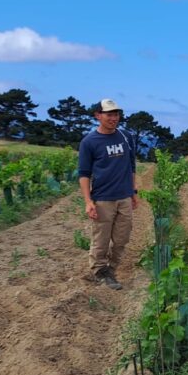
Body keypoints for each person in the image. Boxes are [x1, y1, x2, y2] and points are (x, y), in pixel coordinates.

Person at [78, 98, 139, 290]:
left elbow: (131, 166)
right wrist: (88, 202)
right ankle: (99, 271)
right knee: (101, 240)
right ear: (98, 115)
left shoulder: (125, 136)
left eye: (116, 114)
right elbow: (84, 174)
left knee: (122, 238)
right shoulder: (89, 142)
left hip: (124, 197)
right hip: (103, 198)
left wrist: (133, 191)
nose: (114, 118)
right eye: (109, 114)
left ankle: (111, 269)